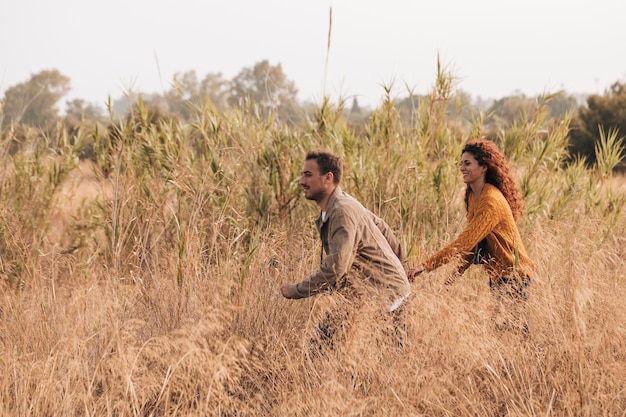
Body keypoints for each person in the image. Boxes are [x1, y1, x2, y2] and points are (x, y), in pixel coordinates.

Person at [281, 149, 411, 349]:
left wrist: (296, 290)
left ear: (328, 178)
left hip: (385, 295)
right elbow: (381, 226)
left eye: (308, 175)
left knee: (385, 363)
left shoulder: (342, 211)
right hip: (364, 294)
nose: (302, 181)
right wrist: (403, 268)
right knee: (319, 348)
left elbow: (336, 267)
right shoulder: (343, 204)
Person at [408, 139, 535, 333]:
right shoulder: (473, 196)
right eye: (461, 164)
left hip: (514, 274)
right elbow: (474, 245)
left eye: (467, 163)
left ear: (484, 166)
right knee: (505, 333)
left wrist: (424, 266)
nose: (462, 168)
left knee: (514, 334)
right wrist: (453, 277)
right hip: (499, 276)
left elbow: (463, 243)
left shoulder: (490, 201)